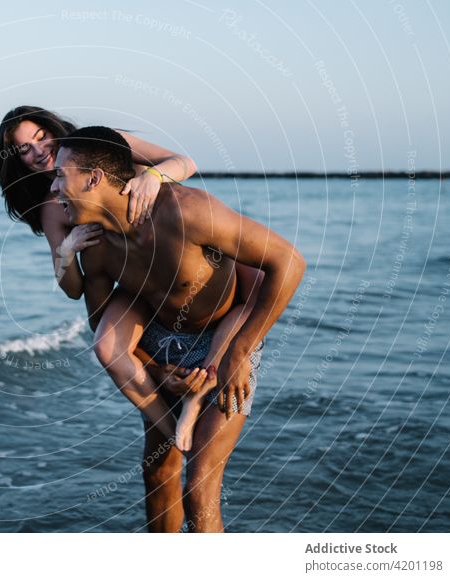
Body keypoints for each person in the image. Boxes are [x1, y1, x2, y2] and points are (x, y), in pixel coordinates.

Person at [51, 126, 306, 532]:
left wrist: (240, 352)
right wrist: (156, 368)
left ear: (93, 178)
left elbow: (289, 262)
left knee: (199, 489)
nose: (54, 186)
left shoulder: (185, 212)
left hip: (226, 340)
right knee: (157, 475)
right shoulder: (95, 248)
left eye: (60, 175)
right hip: (160, 346)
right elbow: (103, 327)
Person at [0, 106, 197, 300]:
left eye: (41, 137)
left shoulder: (103, 143)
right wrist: (67, 250)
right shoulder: (52, 209)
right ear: (18, 161)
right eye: (24, 149)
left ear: (54, 129)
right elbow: (73, 291)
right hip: (136, 283)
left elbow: (185, 162)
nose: (39, 150)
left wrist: (153, 177)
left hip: (180, 255)